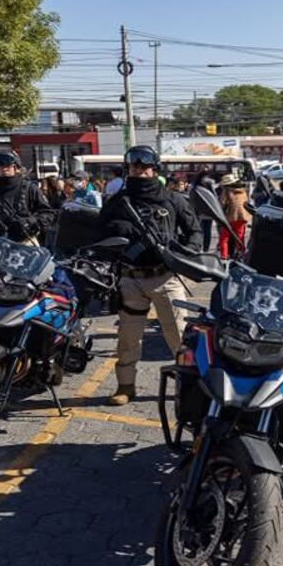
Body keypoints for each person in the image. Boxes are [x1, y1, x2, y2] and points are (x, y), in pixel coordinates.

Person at [100, 145, 199, 406]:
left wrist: (182, 256)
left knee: (179, 336)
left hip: (165, 276)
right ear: (128, 168)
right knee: (128, 338)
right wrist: (121, 230)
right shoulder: (118, 202)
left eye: (145, 166)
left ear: (155, 168)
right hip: (131, 278)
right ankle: (125, 386)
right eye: (135, 166)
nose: (140, 170)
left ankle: (189, 388)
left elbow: (194, 232)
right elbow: (101, 230)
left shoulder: (172, 199)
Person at [0, 151, 51, 242]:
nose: (4, 169)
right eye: (1, 166)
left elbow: (48, 213)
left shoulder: (29, 188)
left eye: (8, 166)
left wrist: (29, 221)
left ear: (16, 167)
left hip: (25, 241)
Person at [217, 174, 251, 259]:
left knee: (224, 238)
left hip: (229, 218)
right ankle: (242, 256)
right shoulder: (243, 190)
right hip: (242, 217)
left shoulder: (227, 190)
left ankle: (224, 257)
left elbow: (222, 204)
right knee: (239, 238)